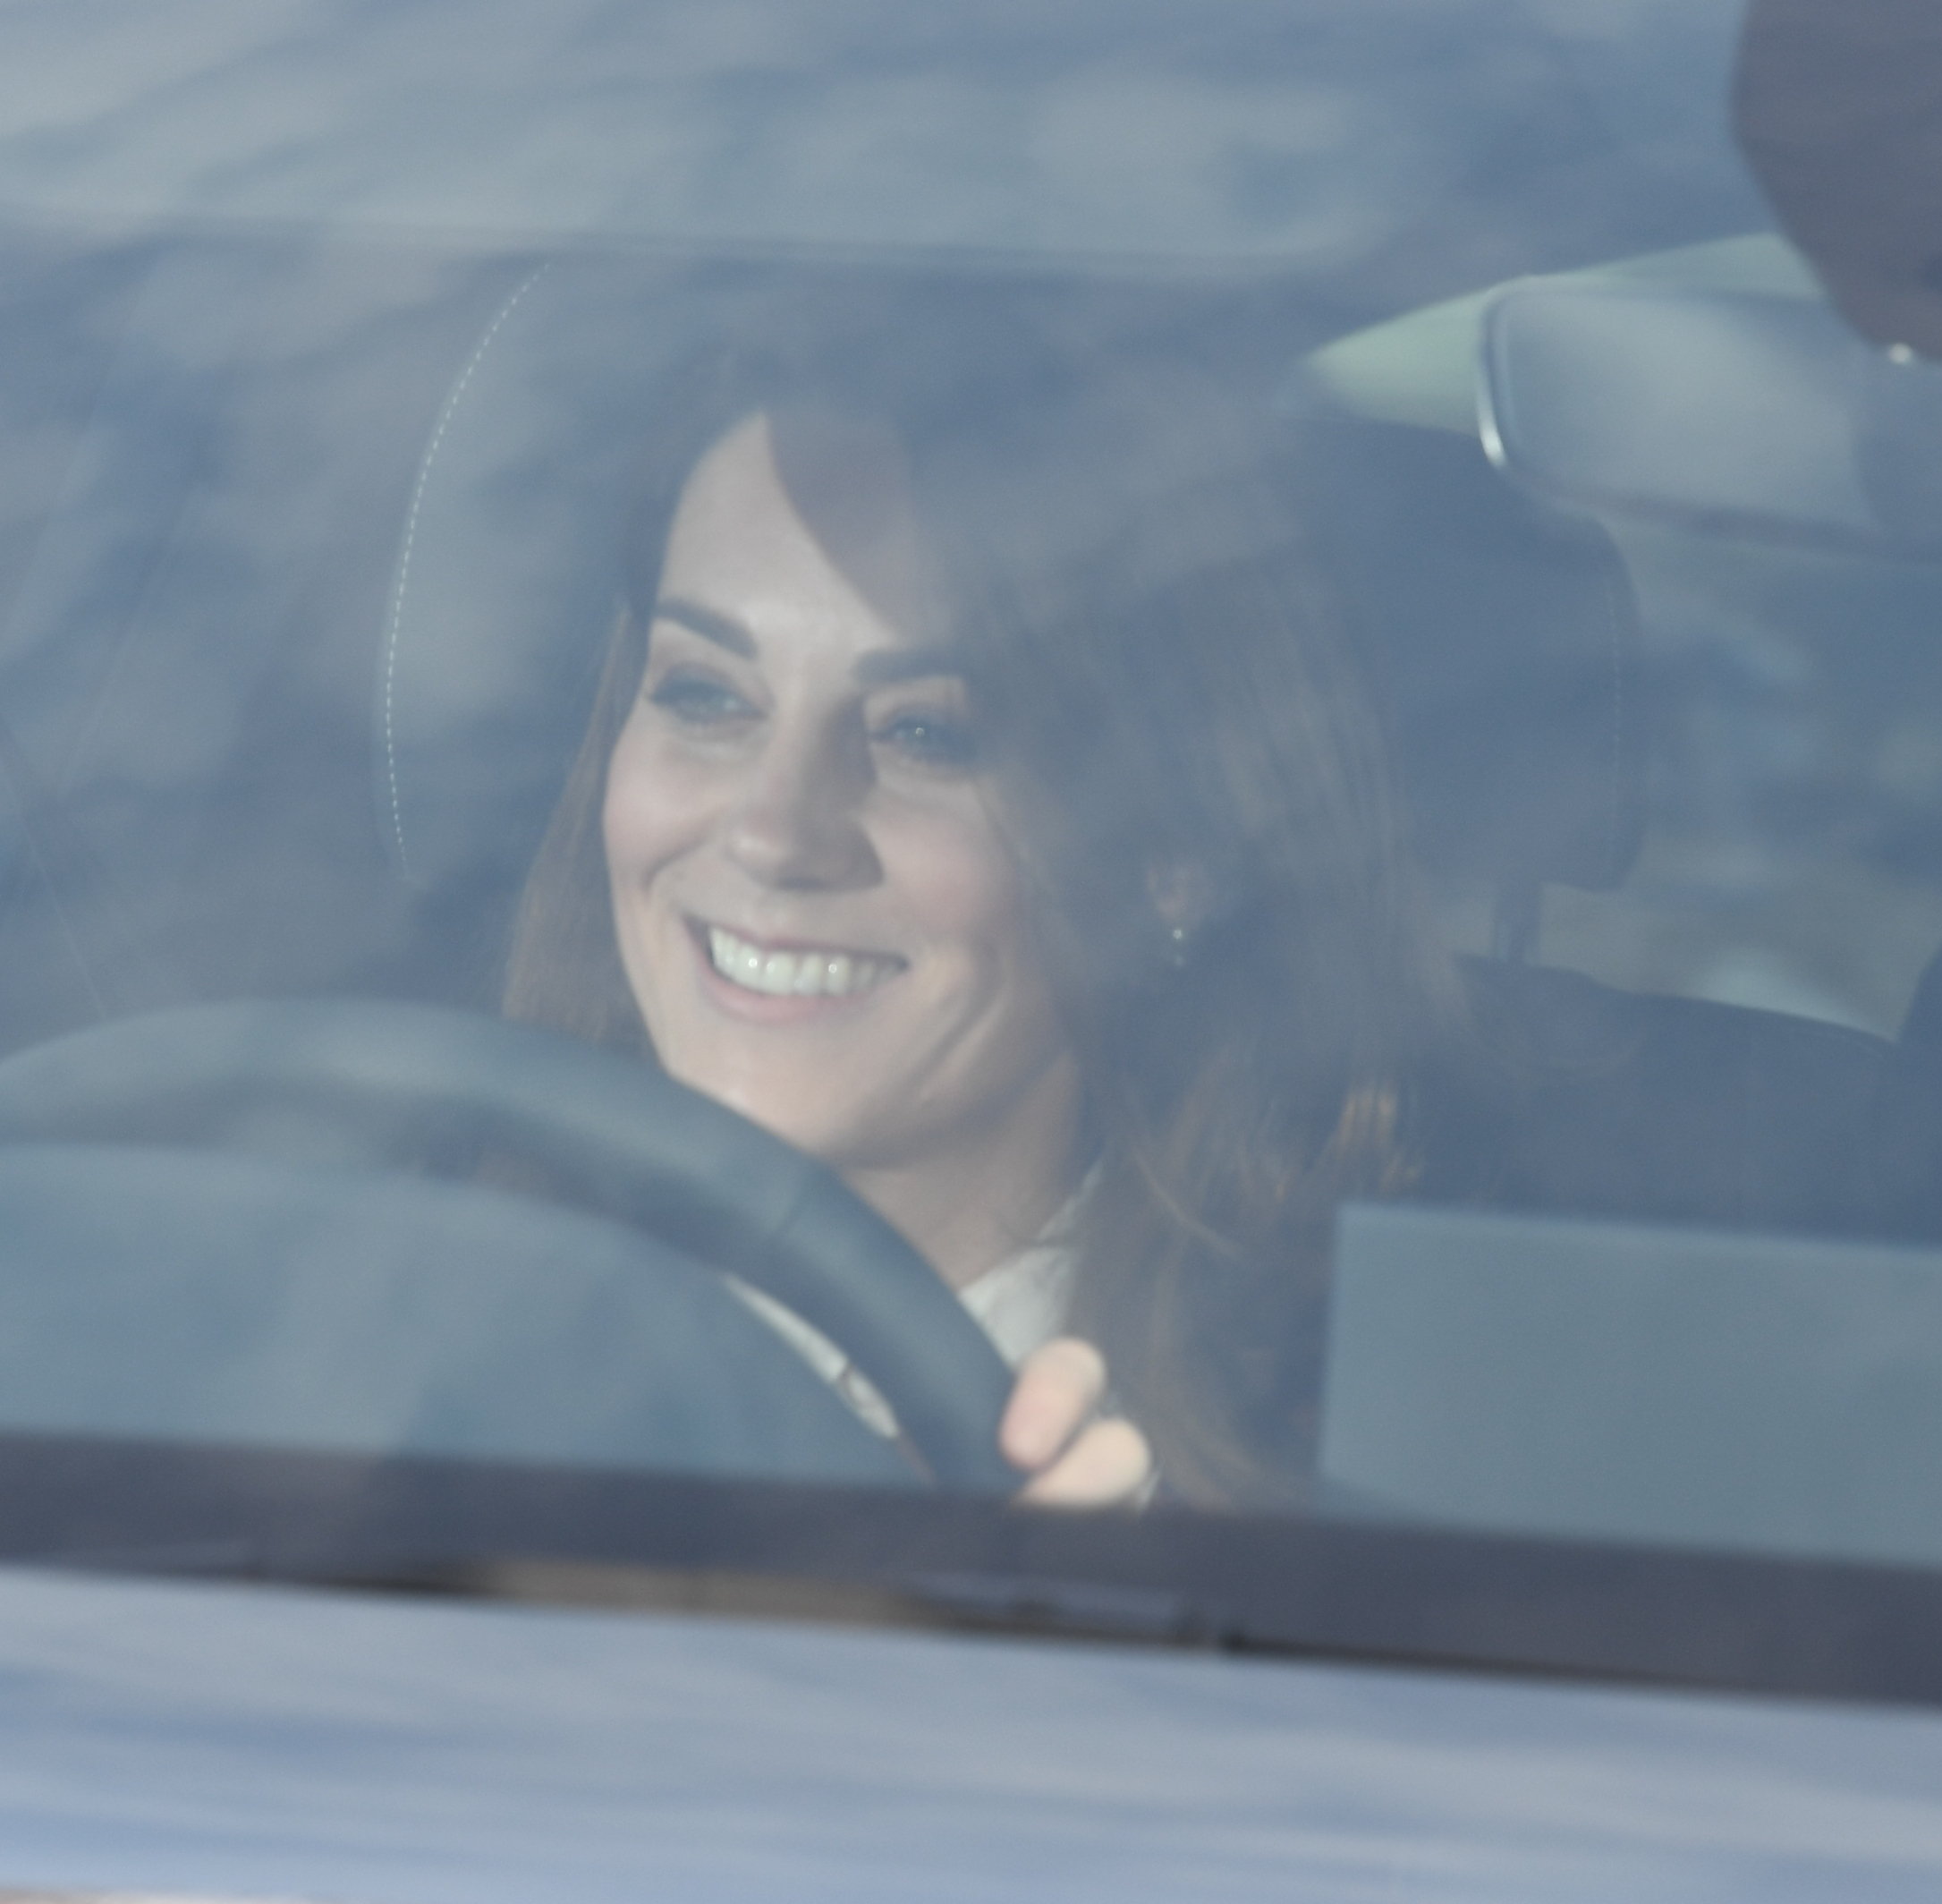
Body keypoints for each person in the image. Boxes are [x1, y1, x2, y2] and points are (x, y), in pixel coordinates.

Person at [499, 298, 1459, 1509]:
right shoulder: (372, 1327)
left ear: (1176, 856)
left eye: (924, 732)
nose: (775, 832)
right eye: (704, 695)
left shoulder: (1341, 1477)